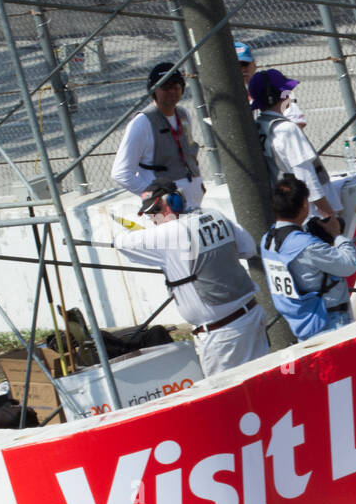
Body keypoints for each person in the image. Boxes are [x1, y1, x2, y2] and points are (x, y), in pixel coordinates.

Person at [112, 179, 269, 376]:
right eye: (150, 214)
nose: (154, 217)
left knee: (226, 398)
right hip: (251, 316)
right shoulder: (215, 214)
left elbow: (122, 243)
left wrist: (141, 231)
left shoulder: (171, 233)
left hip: (221, 335)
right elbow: (247, 248)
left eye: (156, 210)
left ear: (174, 202)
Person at [260, 175, 356, 341]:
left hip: (302, 323)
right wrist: (336, 235)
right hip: (330, 322)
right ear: (305, 204)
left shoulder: (267, 241)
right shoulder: (307, 245)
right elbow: (349, 265)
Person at [250, 68, 338, 225]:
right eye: (286, 93)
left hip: (287, 208)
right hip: (308, 211)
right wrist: (328, 215)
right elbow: (306, 177)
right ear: (277, 97)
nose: (289, 97)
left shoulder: (259, 125)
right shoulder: (287, 129)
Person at [112, 61, 204, 210]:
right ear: (154, 90)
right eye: (165, 87)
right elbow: (121, 173)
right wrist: (156, 197)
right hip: (167, 209)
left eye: (176, 86)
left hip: (194, 203)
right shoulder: (142, 123)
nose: (172, 91)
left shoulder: (183, 114)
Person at [237, 42, 305, 126]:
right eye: (236, 66)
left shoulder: (277, 89)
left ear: (254, 64)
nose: (242, 69)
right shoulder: (231, 98)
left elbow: (298, 123)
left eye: (245, 64)